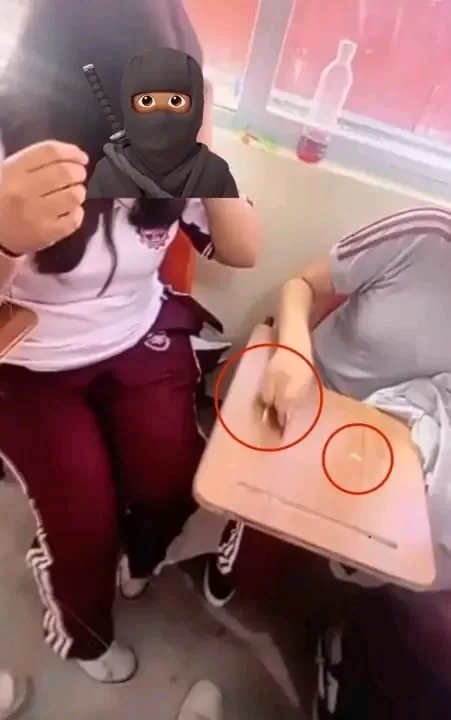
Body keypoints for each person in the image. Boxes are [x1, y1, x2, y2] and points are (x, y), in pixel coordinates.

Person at [0, 0, 260, 685]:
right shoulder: (11, 140)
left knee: (172, 478)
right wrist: (4, 237)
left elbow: (243, 251)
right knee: (81, 523)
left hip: (137, 333)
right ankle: (83, 631)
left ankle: (140, 557)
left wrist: (203, 154)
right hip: (31, 363)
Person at [204, 207, 451, 717]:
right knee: (249, 564)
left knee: (398, 563)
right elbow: (301, 285)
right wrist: (293, 350)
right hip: (309, 402)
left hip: (397, 443)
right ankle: (231, 565)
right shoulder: (425, 235)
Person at [87, 49, 239, 199]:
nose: (161, 117)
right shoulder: (108, 173)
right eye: (147, 101)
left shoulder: (215, 175)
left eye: (176, 101)